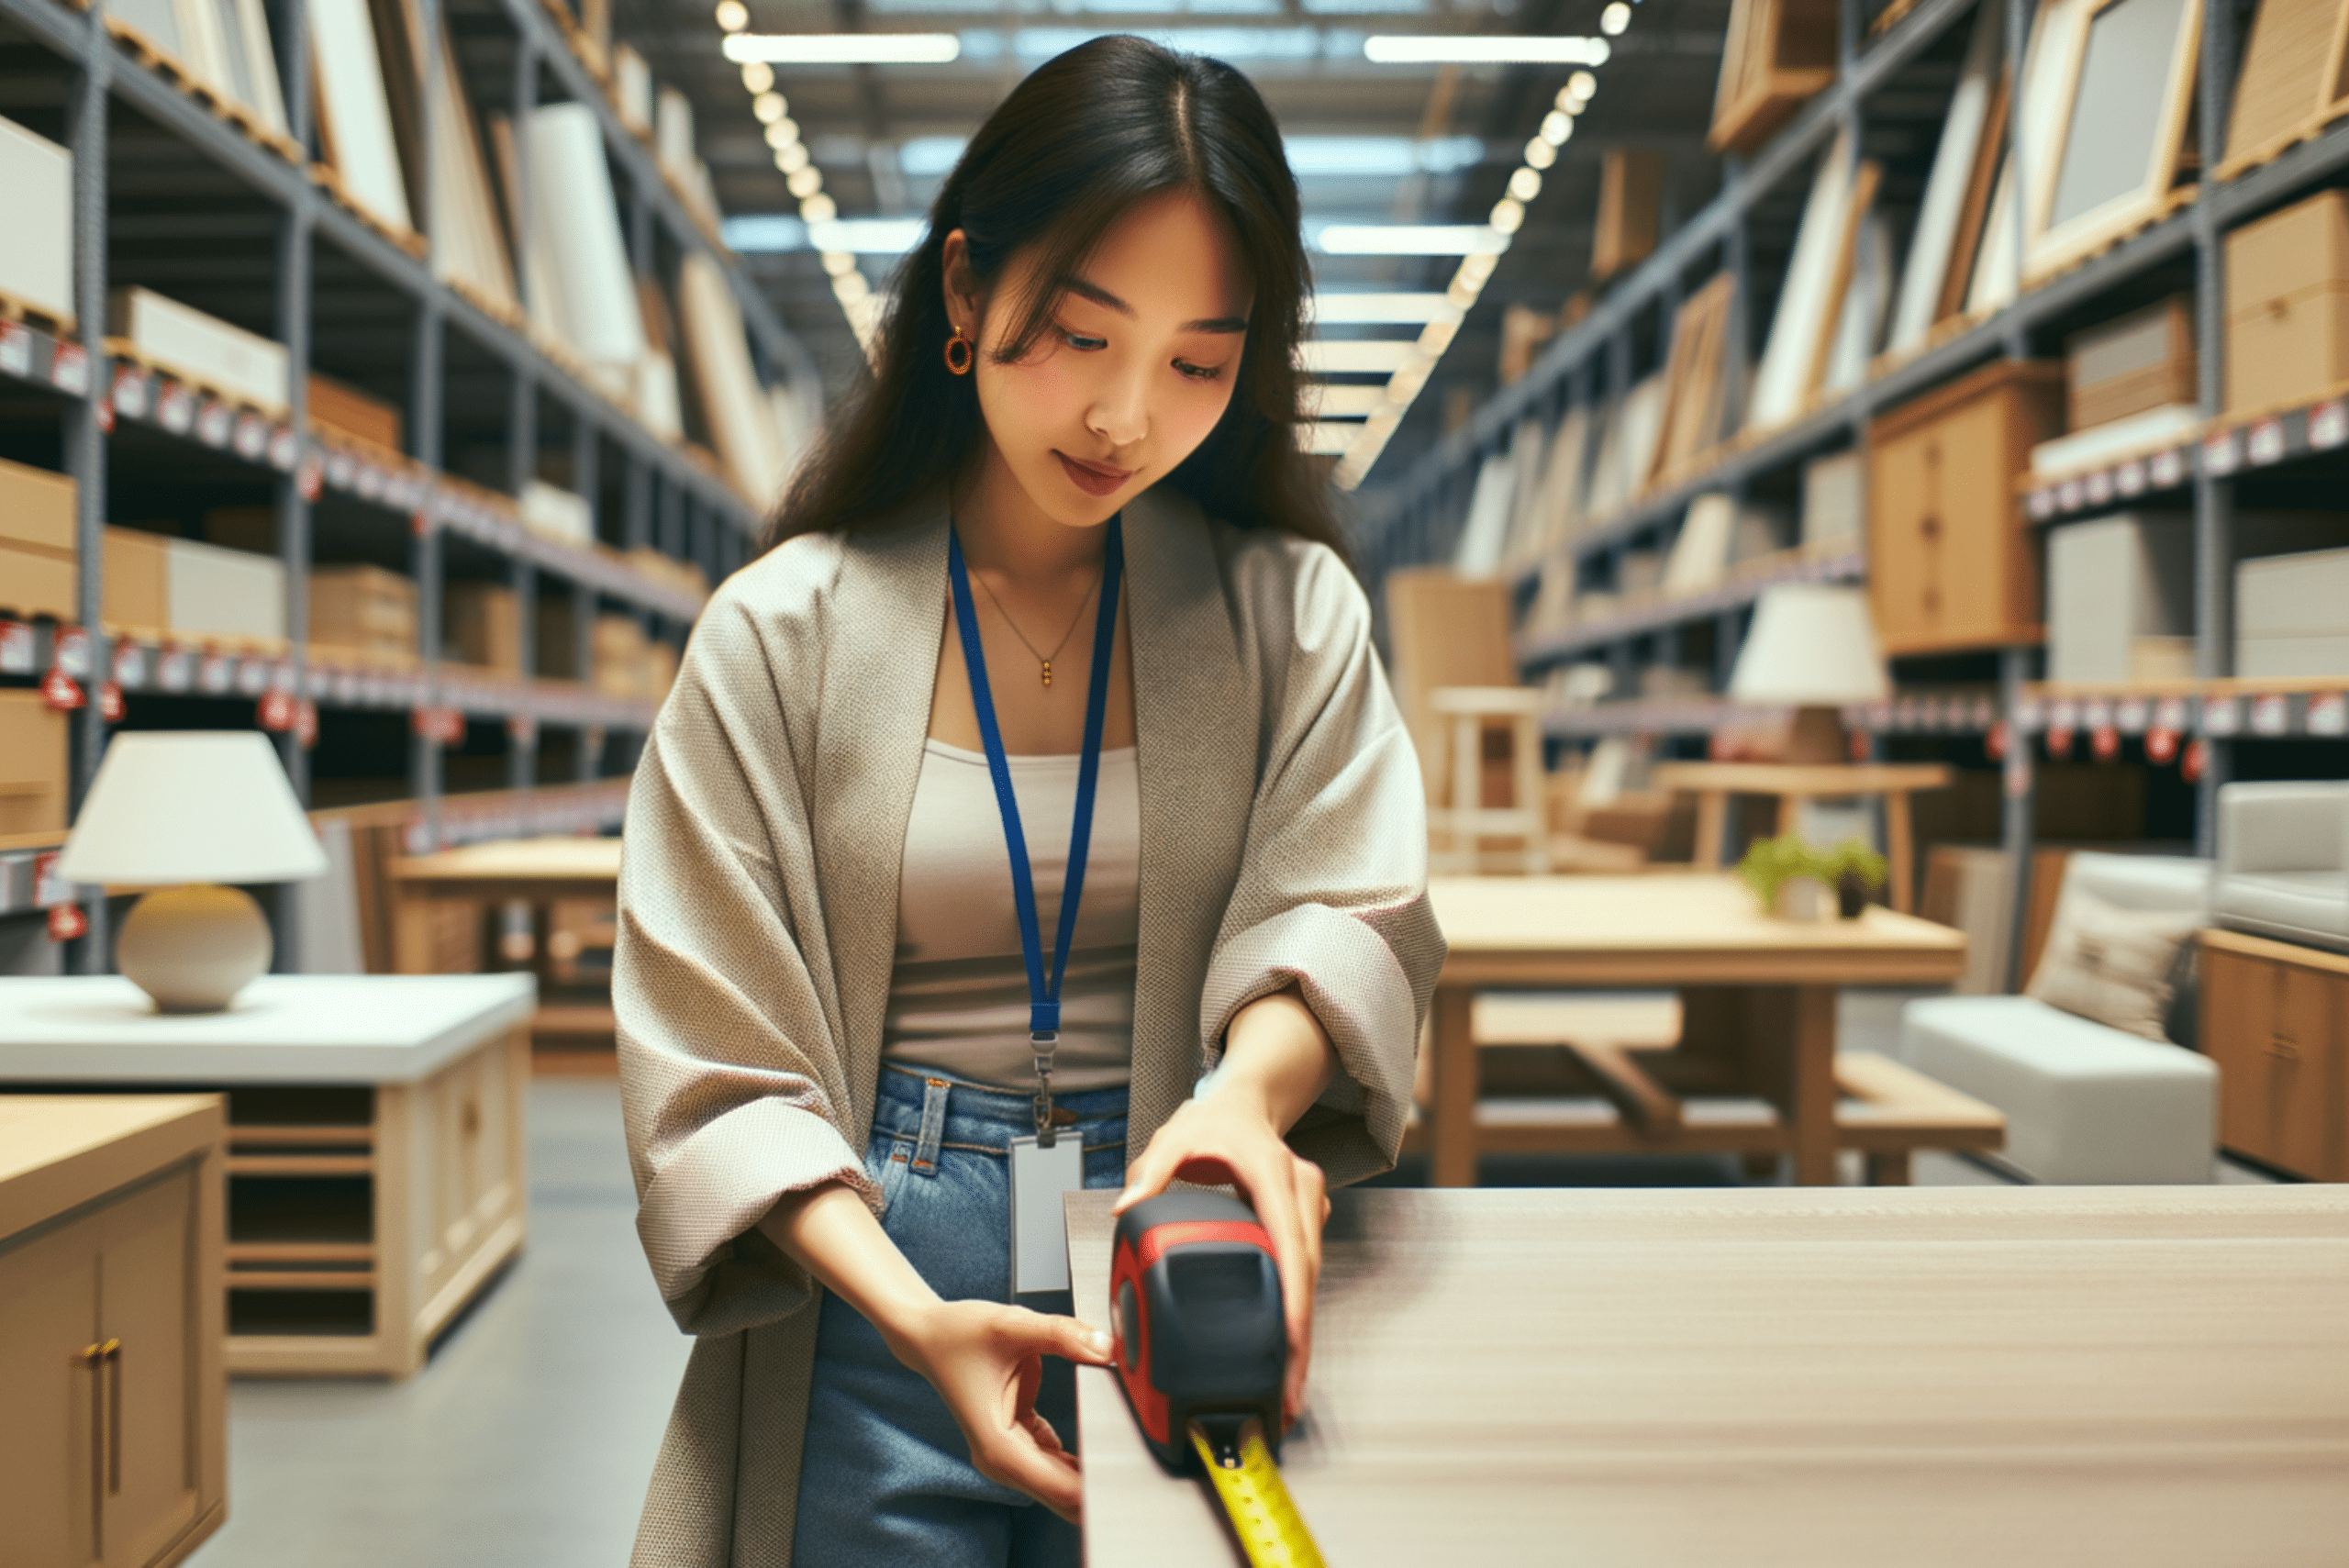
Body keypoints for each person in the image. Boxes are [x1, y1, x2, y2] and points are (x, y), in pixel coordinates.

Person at [616, 34, 1443, 1568]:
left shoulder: (1293, 612)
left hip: (1187, 1237)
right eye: (1079, 333)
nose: (1127, 417)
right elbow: (714, 1047)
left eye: (1199, 362)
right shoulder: (777, 635)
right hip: (870, 1284)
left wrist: (1235, 1110)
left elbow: (1352, 910)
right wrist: (920, 1315)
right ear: (963, 294)